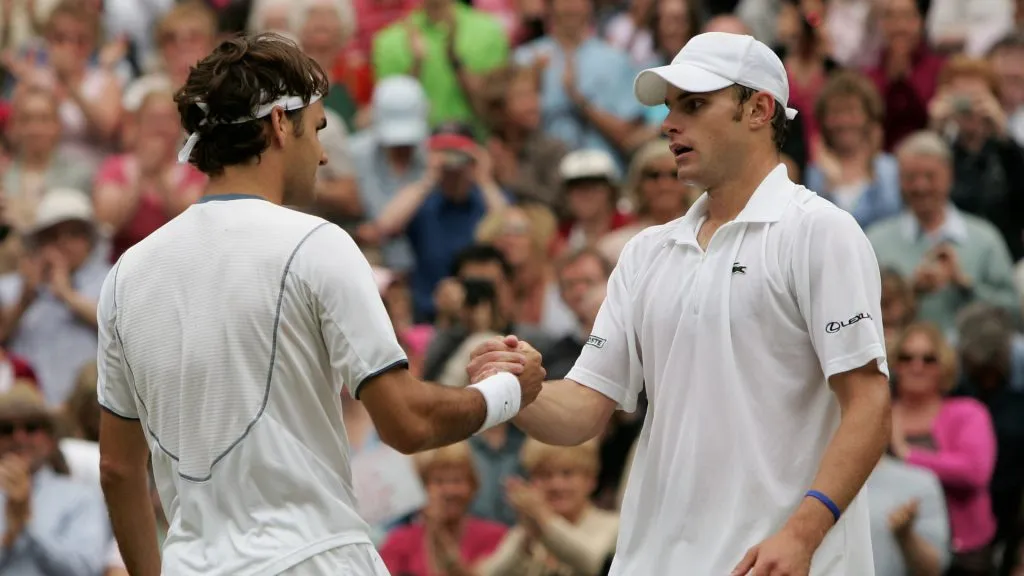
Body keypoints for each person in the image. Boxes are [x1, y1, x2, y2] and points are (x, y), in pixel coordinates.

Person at [94, 34, 545, 576]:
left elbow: (118, 470)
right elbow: (405, 422)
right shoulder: (317, 242)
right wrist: (505, 391)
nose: (325, 154)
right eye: (320, 128)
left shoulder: (125, 276)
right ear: (281, 125)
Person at [468, 31, 892, 575]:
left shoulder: (821, 232)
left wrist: (801, 534)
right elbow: (581, 411)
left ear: (759, 110)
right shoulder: (646, 252)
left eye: (694, 105)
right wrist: (519, 391)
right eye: (670, 108)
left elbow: (870, 407)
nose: (670, 123)